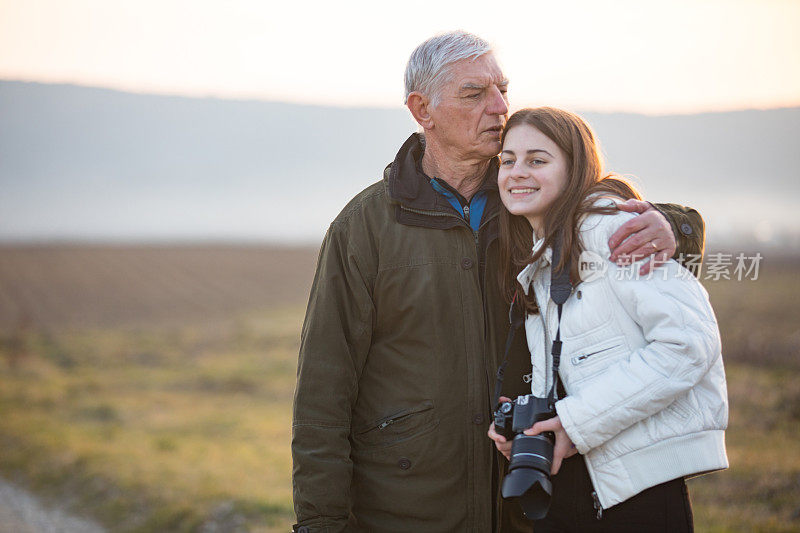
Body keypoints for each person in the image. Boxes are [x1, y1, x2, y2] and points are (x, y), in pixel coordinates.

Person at [292, 31, 705, 533]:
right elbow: (323, 392)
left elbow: (603, 210)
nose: (500, 107)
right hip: (407, 509)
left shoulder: (532, 200)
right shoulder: (364, 228)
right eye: (475, 94)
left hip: (533, 500)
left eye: (502, 89)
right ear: (423, 110)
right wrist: (320, 524)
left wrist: (671, 225)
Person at [488, 107, 728, 532]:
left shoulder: (613, 232)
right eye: (508, 160)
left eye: (537, 160)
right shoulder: (543, 255)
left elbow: (689, 344)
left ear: (574, 168)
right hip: (572, 491)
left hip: (638, 496)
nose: (517, 172)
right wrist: (533, 425)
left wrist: (575, 423)